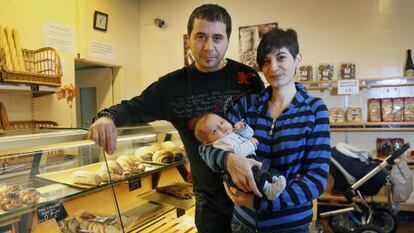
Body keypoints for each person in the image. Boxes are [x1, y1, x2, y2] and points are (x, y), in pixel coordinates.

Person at [87, 4, 265, 233]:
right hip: (210, 205)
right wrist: (106, 117)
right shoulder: (172, 86)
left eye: (217, 38)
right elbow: (134, 108)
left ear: (228, 40)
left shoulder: (247, 78)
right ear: (188, 38)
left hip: (253, 195)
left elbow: (269, 125)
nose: (209, 46)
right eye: (200, 36)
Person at [199, 28, 331, 232]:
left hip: (290, 225)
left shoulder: (315, 109)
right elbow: (207, 147)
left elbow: (316, 179)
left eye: (281, 57)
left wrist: (258, 202)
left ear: (297, 59)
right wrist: (230, 160)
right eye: (266, 61)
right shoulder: (247, 105)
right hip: (244, 223)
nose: (274, 67)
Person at [194, 113, 286, 200]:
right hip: (238, 172)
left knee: (265, 166)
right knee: (254, 175)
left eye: (222, 122)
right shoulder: (219, 143)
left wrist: (242, 128)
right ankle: (268, 189)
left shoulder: (232, 132)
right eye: (214, 130)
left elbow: (250, 134)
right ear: (208, 142)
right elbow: (238, 153)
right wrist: (252, 143)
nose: (221, 127)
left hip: (251, 159)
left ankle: (276, 178)